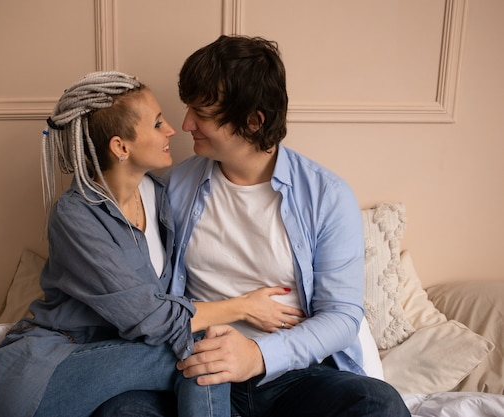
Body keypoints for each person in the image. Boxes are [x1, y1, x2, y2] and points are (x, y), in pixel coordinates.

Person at [96, 36, 411, 416]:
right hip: (196, 368)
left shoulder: (326, 196)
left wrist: (258, 354)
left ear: (253, 120)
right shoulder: (173, 187)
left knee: (380, 403)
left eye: (202, 113)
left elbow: (341, 317)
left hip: (292, 375)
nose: (185, 124)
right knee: (119, 411)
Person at [0, 71, 300, 417]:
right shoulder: (75, 216)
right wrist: (243, 307)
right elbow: (152, 318)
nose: (171, 130)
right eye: (157, 124)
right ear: (120, 147)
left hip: (120, 363)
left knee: (207, 352)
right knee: (205, 350)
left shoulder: (161, 195)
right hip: (47, 371)